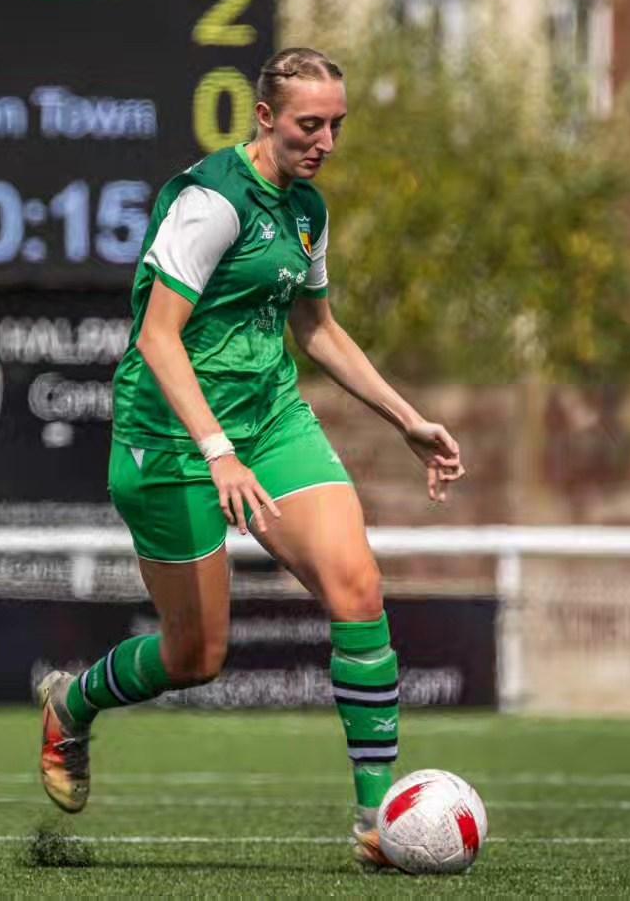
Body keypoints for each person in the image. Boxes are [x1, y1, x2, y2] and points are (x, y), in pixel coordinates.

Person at [35, 47, 464, 870]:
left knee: (358, 584)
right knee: (197, 656)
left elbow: (316, 328)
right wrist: (217, 452)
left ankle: (378, 819)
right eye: (311, 123)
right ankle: (71, 704)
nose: (327, 140)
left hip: (271, 420)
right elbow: (157, 338)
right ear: (264, 117)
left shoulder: (307, 209)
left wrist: (407, 417)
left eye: (337, 124)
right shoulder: (211, 203)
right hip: (170, 438)